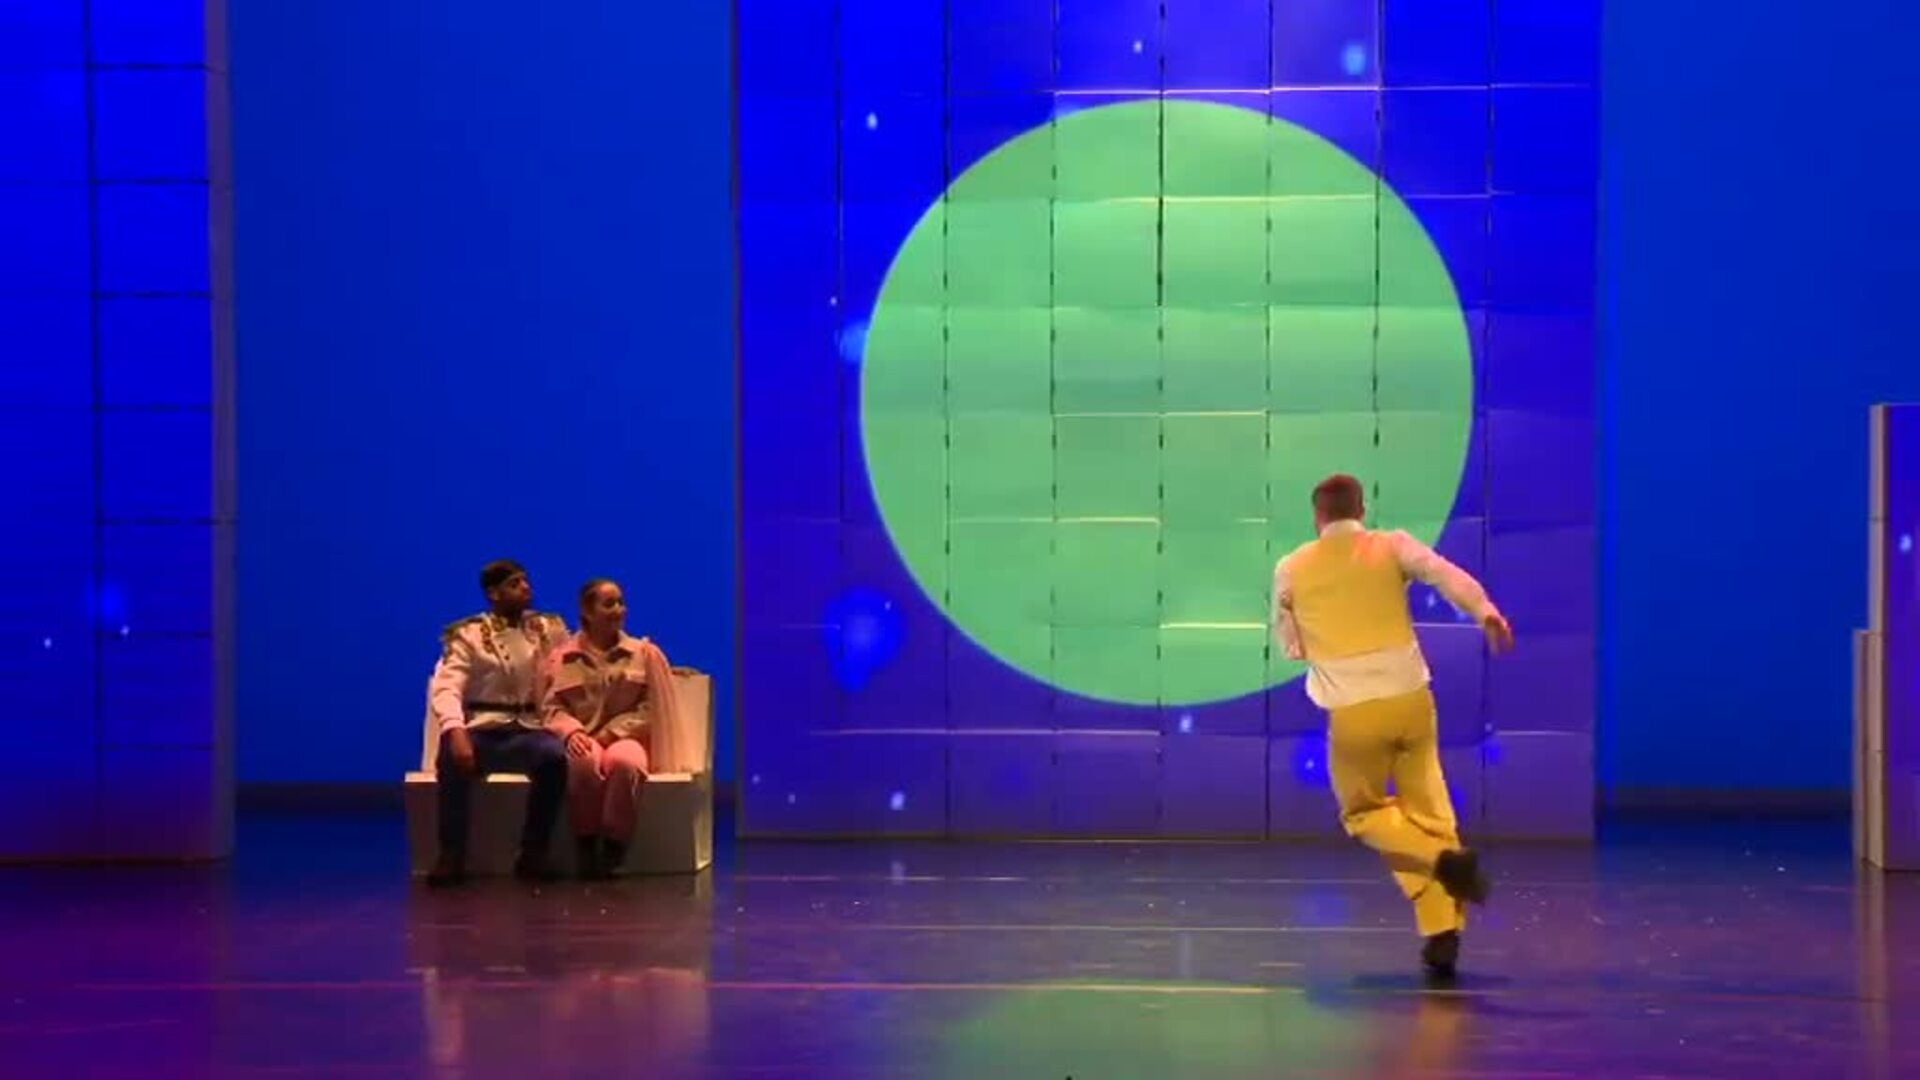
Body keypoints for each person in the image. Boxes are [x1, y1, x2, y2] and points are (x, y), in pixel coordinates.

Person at [1272, 474, 1515, 980]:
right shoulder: (1391, 546)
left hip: (1354, 712)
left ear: (1318, 516)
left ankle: (1443, 862)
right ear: (1361, 509)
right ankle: (1442, 933)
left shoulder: (1292, 568)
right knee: (1431, 814)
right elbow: (1446, 575)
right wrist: (1485, 611)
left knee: (1364, 814)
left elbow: (1291, 646)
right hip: (1412, 701)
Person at [424, 559, 574, 886]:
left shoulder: (546, 629)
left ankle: (534, 853)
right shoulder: (470, 635)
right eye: (515, 584)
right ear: (494, 593)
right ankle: (451, 854)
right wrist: (456, 730)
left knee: (553, 758)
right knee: (450, 756)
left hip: (527, 730)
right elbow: (447, 687)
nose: (525, 588)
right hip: (484, 729)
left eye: (526, 581)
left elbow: (574, 658)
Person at [542, 578, 689, 880]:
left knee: (625, 763)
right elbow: (551, 707)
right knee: (583, 762)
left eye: (621, 602)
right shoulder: (562, 658)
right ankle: (585, 842)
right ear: (588, 611)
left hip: (627, 736)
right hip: (584, 734)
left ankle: (614, 844)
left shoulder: (643, 654)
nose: (619, 609)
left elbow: (651, 707)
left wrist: (613, 732)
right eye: (609, 604)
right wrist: (572, 731)